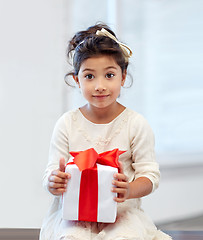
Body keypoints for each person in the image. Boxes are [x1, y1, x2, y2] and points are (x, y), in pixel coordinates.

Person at [40, 23, 171, 240]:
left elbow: (150, 176)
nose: (100, 86)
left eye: (109, 75)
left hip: (122, 215)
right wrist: (54, 181)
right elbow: (51, 172)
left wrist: (129, 189)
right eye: (90, 76)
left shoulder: (135, 124)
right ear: (76, 80)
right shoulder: (67, 123)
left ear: (122, 76)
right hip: (75, 216)